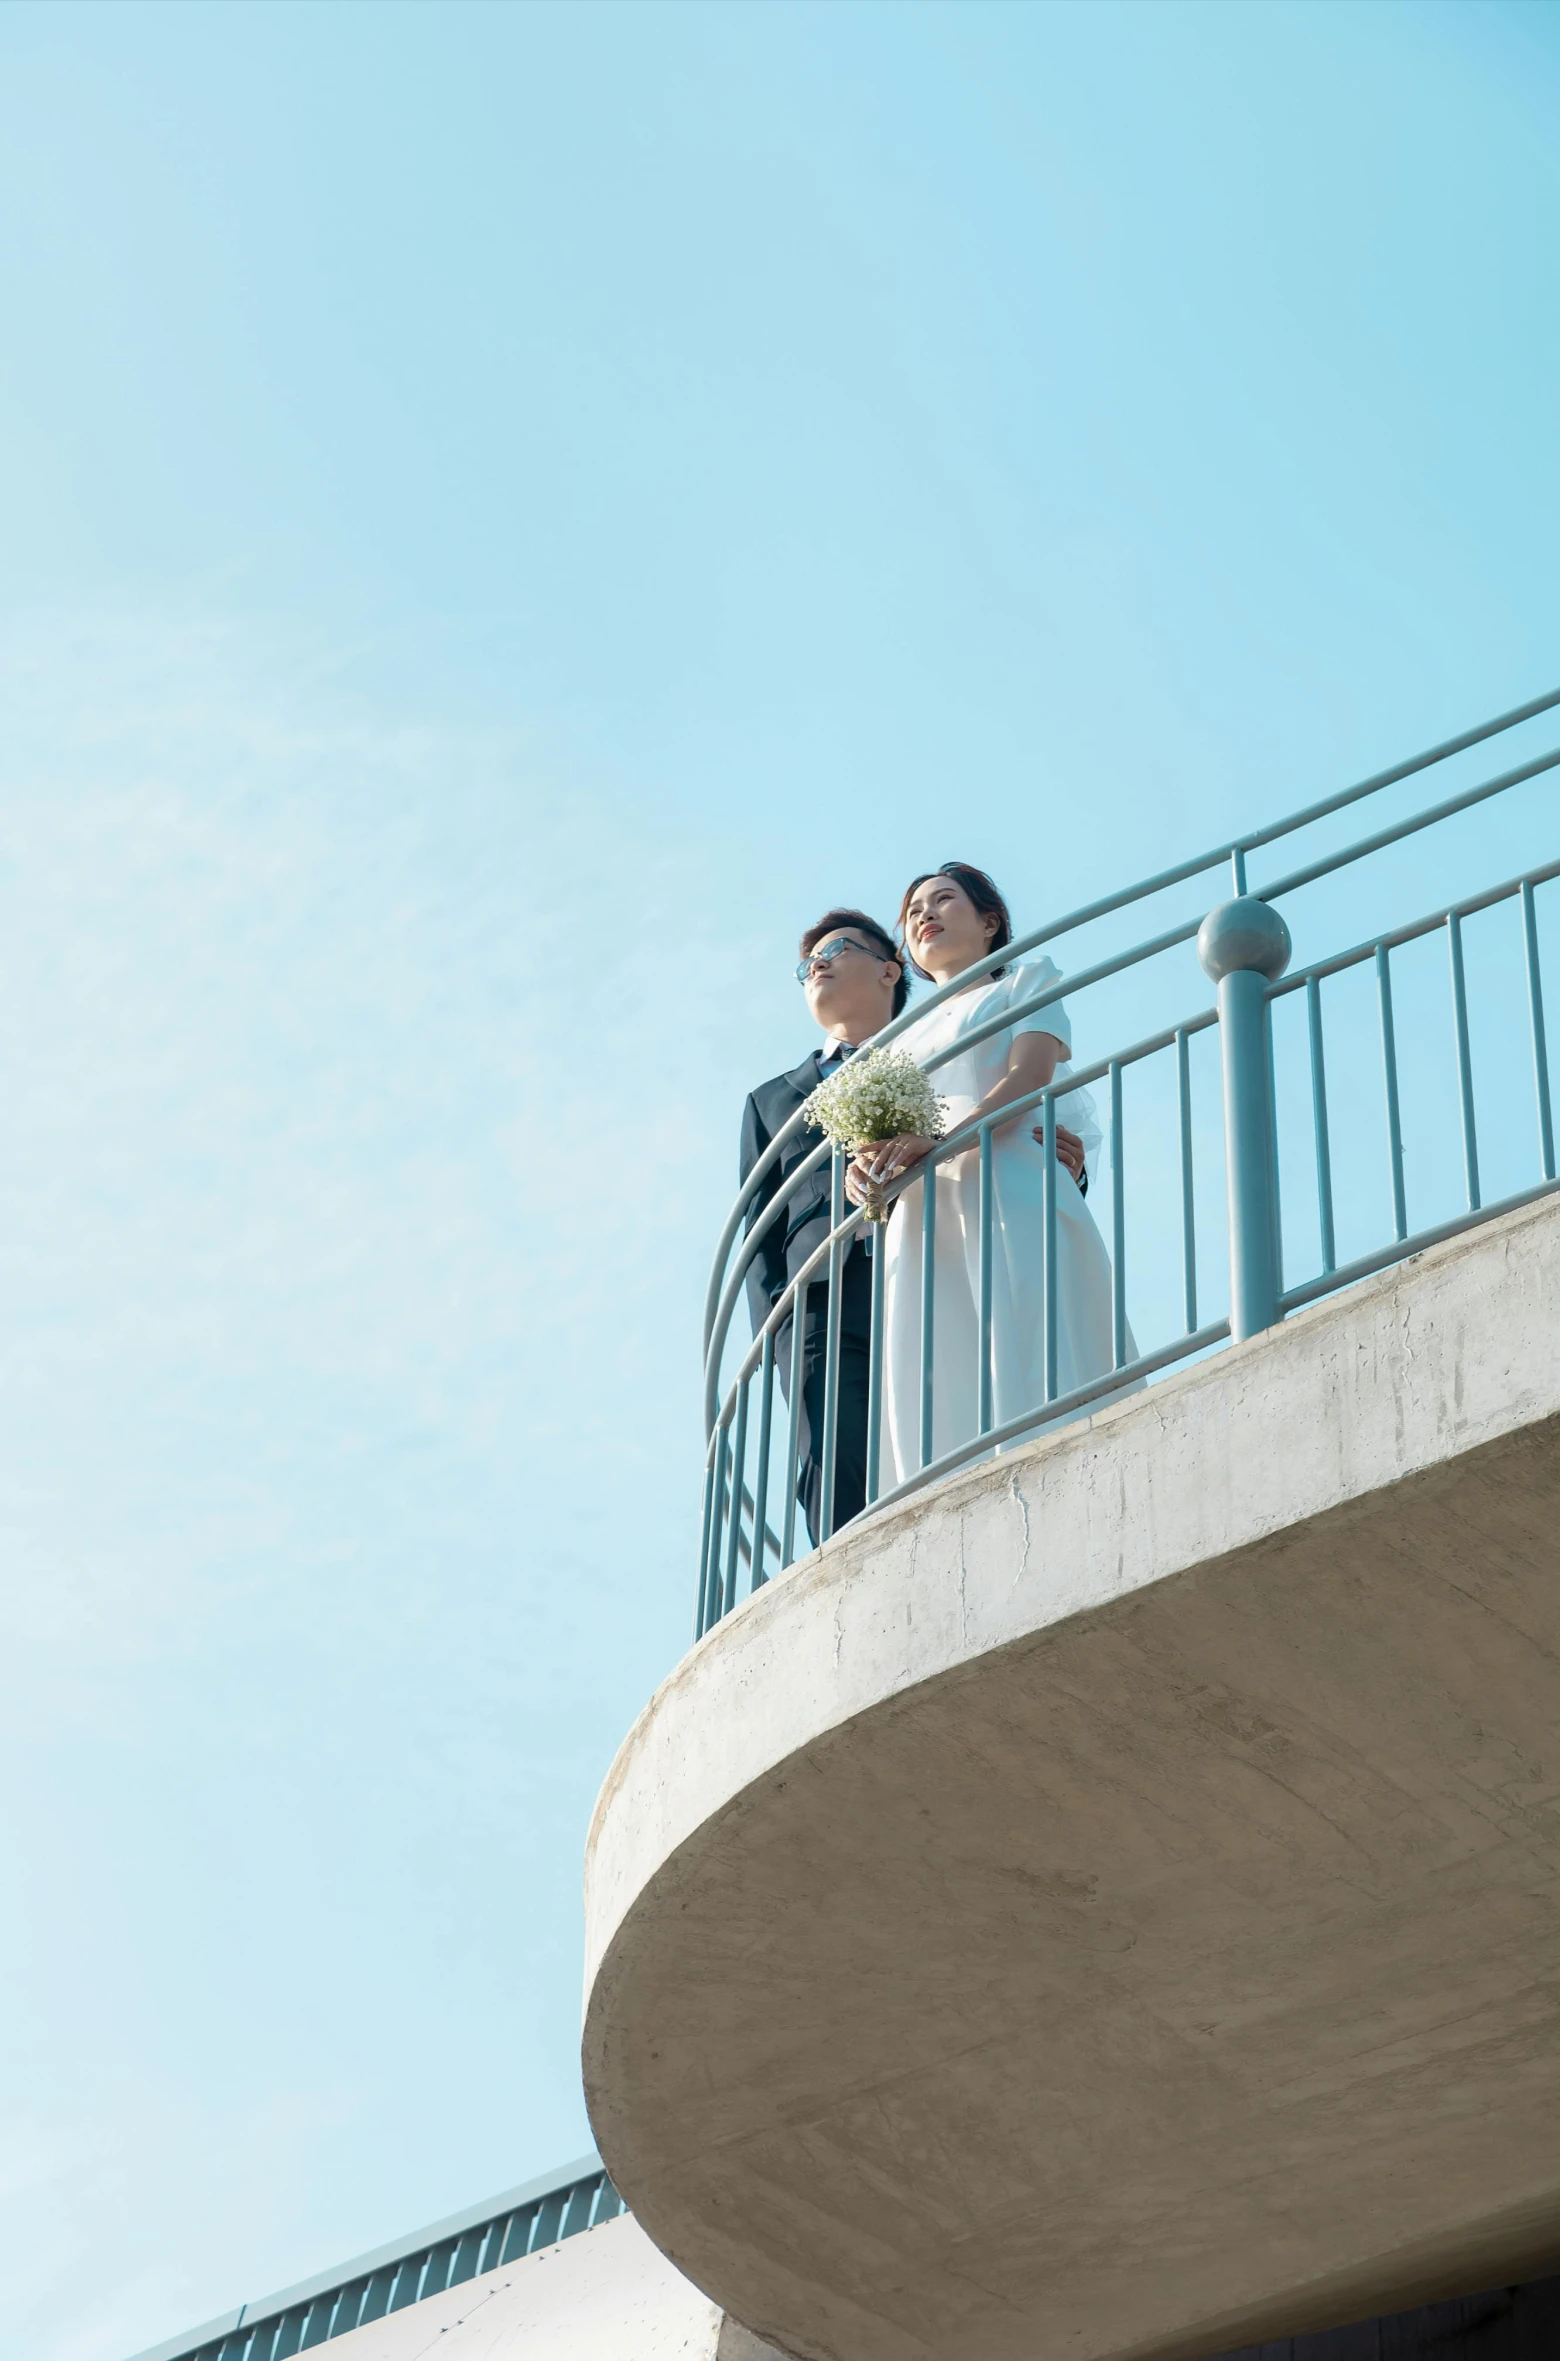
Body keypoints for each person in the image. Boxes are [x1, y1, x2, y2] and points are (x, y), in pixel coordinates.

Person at [740, 906, 1087, 1545]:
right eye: (804, 962)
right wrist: (778, 1327)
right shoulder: (771, 1099)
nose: (816, 962)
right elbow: (759, 1227)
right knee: (835, 1449)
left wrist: (1055, 1156)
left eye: (837, 947)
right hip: (825, 1290)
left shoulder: (938, 1040)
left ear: (890, 969)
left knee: (951, 1413)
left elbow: (1010, 1105)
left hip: (942, 1253)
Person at [844, 863, 1132, 1487]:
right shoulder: (896, 1039)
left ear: (989, 920)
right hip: (926, 1209)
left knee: (1028, 1324)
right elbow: (875, 1131)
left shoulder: (1026, 977)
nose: (925, 915)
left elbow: (1030, 1076)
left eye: (944, 900)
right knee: (940, 1357)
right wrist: (864, 1170)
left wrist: (939, 1143)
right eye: (914, 910)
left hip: (1006, 1176)